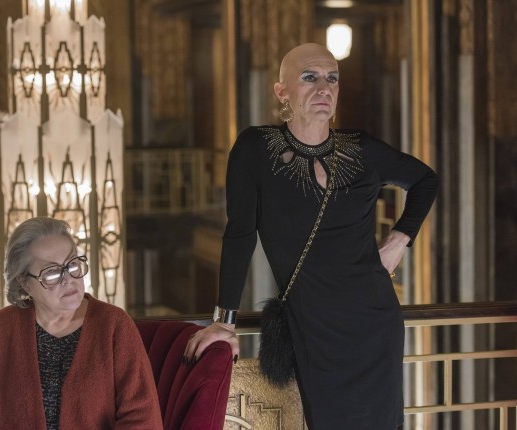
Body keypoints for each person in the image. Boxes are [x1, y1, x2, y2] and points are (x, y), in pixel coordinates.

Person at [184, 43, 438, 429]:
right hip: (313, 326)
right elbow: (240, 235)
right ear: (282, 91)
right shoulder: (255, 149)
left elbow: (425, 180)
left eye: (332, 78)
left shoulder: (362, 149)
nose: (324, 88)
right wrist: (225, 321)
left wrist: (398, 240)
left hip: (374, 321)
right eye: (310, 77)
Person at [0, 216, 162, 430]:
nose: (68, 279)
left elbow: (142, 419)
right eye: (52, 272)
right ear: (25, 283)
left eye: (72, 264)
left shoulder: (114, 326)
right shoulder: (2, 329)